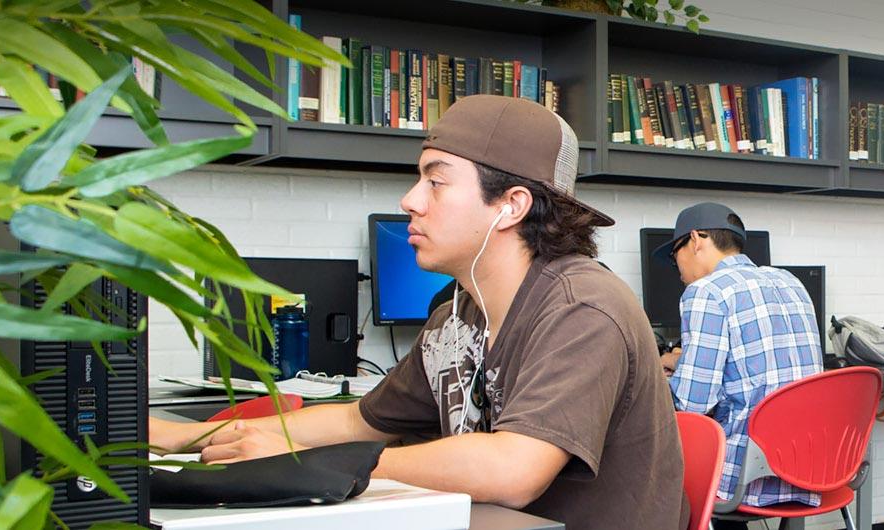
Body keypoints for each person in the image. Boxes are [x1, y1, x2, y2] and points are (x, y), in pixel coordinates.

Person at [149, 95, 687, 529]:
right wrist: (186, 438)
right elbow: (358, 421)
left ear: (511, 206)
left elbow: (512, 469)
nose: (410, 199)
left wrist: (310, 467)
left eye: (436, 179)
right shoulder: (459, 313)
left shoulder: (581, 307)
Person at [653, 202, 823, 528]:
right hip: (809, 467)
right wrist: (683, 360)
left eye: (675, 255)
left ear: (696, 239)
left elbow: (692, 402)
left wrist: (654, 378)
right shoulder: (790, 281)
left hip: (745, 476)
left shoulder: (704, 292)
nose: (676, 267)